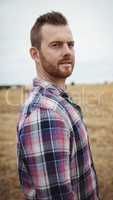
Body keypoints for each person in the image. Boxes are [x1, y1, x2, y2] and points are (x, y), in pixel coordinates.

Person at [17, 11, 99, 200]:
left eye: (70, 44)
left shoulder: (57, 101)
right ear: (35, 54)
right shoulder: (45, 114)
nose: (67, 51)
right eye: (56, 45)